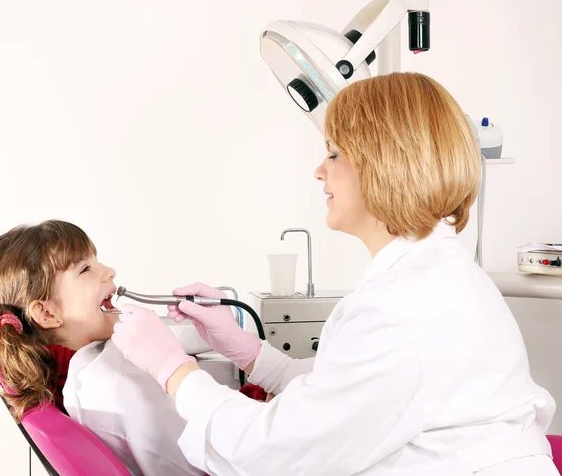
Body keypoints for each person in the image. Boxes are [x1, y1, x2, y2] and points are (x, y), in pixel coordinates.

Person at [112, 72, 558, 476]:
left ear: (386, 162)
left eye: (334, 154)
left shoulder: (400, 310)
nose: (319, 171)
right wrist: (250, 352)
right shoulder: (438, 276)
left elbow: (276, 450)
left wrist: (172, 369)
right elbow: (345, 394)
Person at [0, 220, 203, 476]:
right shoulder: (108, 384)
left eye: (97, 262)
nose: (110, 271)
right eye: (85, 269)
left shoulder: (100, 367)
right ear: (47, 313)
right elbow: (198, 464)